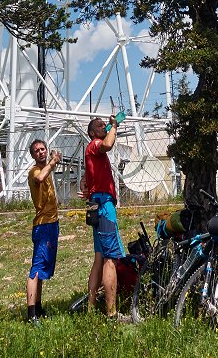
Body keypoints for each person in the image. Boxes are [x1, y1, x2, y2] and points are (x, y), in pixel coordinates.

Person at [84, 115, 130, 321]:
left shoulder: (92, 152)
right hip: (103, 206)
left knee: (99, 257)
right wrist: (114, 127)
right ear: (92, 133)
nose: (104, 127)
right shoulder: (95, 145)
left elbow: (88, 177)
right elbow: (108, 145)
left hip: (96, 204)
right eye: (100, 126)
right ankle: (111, 313)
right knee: (110, 258)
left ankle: (91, 307)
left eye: (105, 125)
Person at [26, 139, 62, 325]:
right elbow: (39, 178)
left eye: (43, 149)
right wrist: (53, 162)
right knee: (37, 268)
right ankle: (31, 314)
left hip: (52, 224)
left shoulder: (46, 169)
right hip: (43, 225)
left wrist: (54, 162)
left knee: (43, 270)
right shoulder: (35, 171)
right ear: (32, 155)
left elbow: (47, 173)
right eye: (37, 151)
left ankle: (38, 308)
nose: (40, 152)